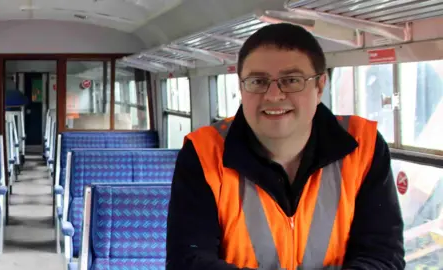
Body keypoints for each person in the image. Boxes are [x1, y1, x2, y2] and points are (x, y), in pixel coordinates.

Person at [165, 23, 405, 270]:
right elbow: (188, 262)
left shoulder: (364, 146)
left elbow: (383, 256)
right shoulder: (204, 152)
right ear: (241, 87)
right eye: (258, 81)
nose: (273, 95)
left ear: (320, 86)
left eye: (291, 80)